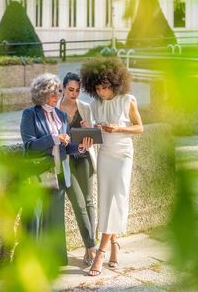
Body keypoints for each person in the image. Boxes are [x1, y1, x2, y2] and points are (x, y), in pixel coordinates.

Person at [20, 73, 93, 265]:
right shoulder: (29, 114)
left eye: (58, 92)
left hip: (58, 174)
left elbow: (66, 147)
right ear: (41, 94)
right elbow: (29, 146)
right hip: (37, 175)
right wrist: (54, 138)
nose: (57, 96)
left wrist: (81, 147)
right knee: (34, 220)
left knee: (55, 220)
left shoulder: (61, 115)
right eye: (52, 93)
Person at [80, 58, 144, 276]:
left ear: (115, 83)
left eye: (105, 87)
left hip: (123, 155)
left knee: (118, 197)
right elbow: (96, 132)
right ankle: (115, 245)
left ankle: (101, 253)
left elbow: (140, 128)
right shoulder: (95, 104)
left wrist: (118, 128)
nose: (101, 91)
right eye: (97, 88)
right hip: (105, 155)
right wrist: (91, 129)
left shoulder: (128, 100)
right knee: (106, 200)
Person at [59, 72, 98, 266]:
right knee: (79, 203)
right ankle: (92, 245)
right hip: (66, 161)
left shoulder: (85, 107)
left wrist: (87, 128)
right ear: (63, 88)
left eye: (77, 90)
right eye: (70, 90)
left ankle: (88, 249)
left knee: (89, 201)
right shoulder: (55, 109)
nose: (74, 94)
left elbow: (91, 136)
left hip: (84, 158)